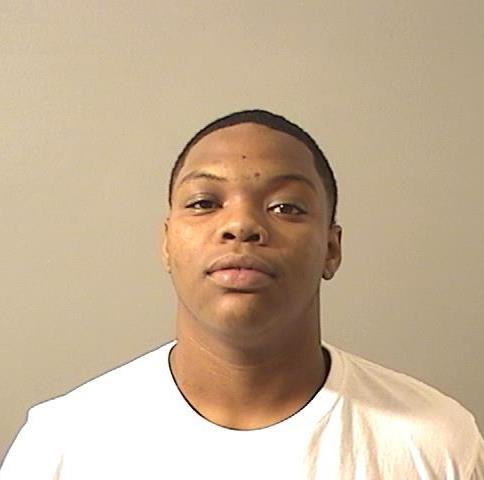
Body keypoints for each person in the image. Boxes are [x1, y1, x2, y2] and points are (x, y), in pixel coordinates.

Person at [1, 109, 482, 479]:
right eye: (204, 203)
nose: (241, 225)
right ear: (167, 243)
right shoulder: (63, 445)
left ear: (331, 249)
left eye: (286, 206)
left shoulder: (437, 441)